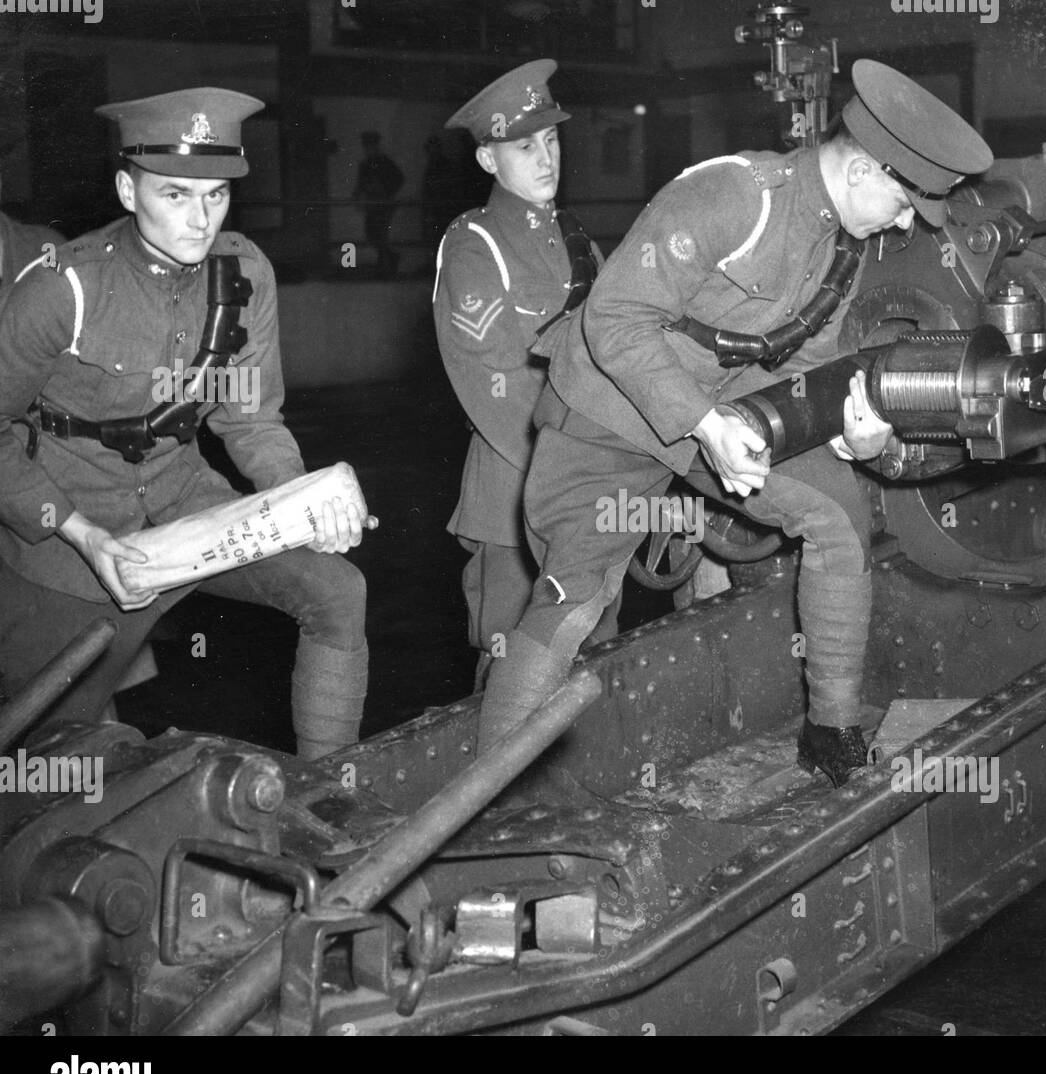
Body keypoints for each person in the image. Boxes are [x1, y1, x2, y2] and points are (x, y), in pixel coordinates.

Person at [477, 59, 992, 787]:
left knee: (838, 513)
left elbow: (800, 366)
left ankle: (833, 734)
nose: (905, 221)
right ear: (863, 172)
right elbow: (613, 319)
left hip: (715, 409)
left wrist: (846, 432)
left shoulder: (843, 244)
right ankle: (488, 802)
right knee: (574, 600)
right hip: (609, 408)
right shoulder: (732, 195)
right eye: (906, 202)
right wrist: (706, 424)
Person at [0, 87, 370, 760]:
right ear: (126, 188)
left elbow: (251, 421)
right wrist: (81, 534)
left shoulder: (245, 273)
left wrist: (300, 501)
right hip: (66, 535)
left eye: (217, 196)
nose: (201, 220)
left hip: (184, 499)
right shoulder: (64, 287)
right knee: (54, 763)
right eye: (176, 195)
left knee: (337, 591)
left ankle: (328, 789)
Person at [435, 59, 612, 691]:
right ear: (488, 160)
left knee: (590, 651)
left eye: (553, 140)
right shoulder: (473, 245)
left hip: (588, 485)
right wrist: (569, 466)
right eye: (524, 145)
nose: (546, 158)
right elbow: (491, 382)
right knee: (512, 668)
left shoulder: (577, 240)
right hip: (515, 494)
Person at [355, 130, 404, 278]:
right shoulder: (364, 165)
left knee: (380, 235)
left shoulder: (385, 162)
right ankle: (387, 260)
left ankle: (385, 265)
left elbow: (399, 179)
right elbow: (360, 184)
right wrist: (357, 196)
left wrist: (385, 191)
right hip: (372, 206)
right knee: (371, 235)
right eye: (366, 146)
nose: (368, 149)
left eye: (370, 145)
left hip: (383, 205)